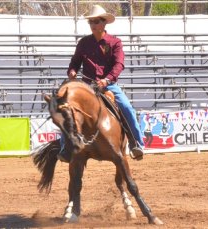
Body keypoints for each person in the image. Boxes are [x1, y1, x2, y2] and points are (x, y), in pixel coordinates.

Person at [58, 5, 145, 162]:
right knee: (67, 110)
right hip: (86, 86)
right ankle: (65, 147)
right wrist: (71, 71)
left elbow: (119, 65)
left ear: (104, 23)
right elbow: (75, 62)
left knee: (127, 108)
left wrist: (107, 80)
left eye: (96, 21)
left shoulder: (115, 43)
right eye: (91, 22)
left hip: (108, 85)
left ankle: (136, 143)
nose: (93, 24)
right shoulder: (83, 43)